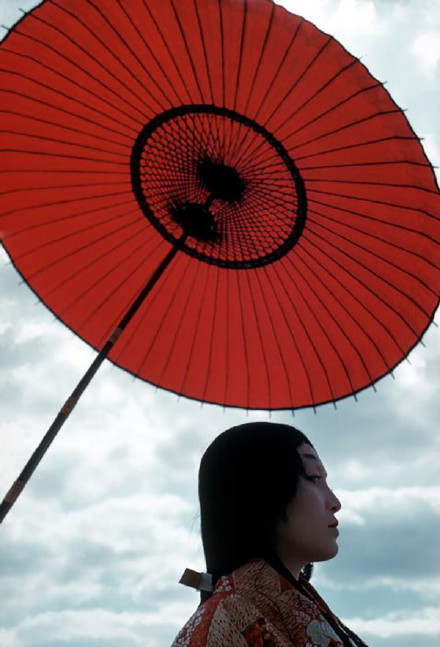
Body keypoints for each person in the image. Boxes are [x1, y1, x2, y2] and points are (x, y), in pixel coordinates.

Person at [171, 422, 369, 646]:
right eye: (314, 478)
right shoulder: (234, 618)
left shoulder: (292, 603)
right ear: (262, 490)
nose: (335, 503)